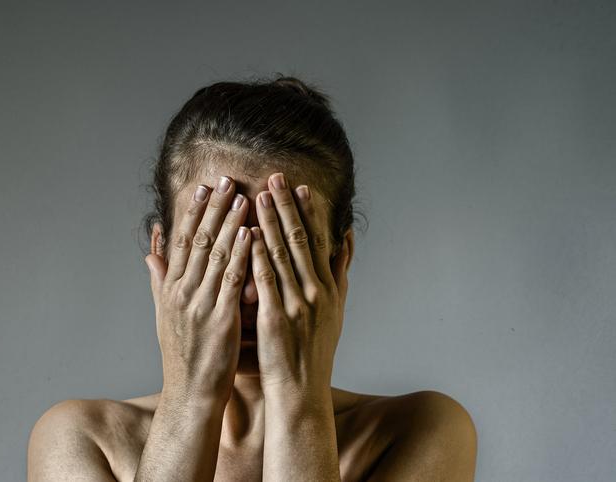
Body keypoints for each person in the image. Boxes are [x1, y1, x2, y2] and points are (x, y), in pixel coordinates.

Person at [27, 75, 478, 481]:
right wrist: (190, 399)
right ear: (162, 252)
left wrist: (299, 401)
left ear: (338, 260)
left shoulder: (423, 432)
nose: (246, 292)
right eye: (217, 251)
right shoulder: (81, 440)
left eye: (281, 254)